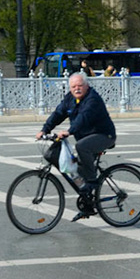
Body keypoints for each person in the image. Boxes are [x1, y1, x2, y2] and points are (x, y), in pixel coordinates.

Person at [37, 72, 118, 219]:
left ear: (87, 86)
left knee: (82, 147)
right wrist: (45, 129)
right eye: (73, 86)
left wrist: (69, 131)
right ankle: (87, 203)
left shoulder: (92, 99)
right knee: (76, 168)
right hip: (86, 138)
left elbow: (83, 117)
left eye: (80, 85)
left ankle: (92, 182)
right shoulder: (70, 98)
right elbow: (59, 113)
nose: (77, 89)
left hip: (104, 135)